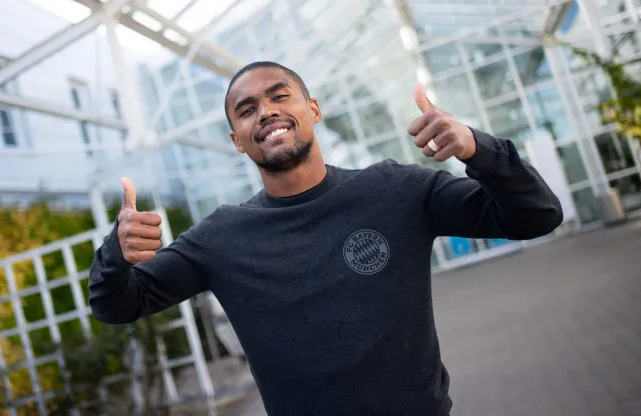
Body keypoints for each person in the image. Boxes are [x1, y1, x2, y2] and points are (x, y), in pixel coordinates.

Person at [87, 61, 563, 415]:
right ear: (237, 139)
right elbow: (118, 305)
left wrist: (481, 150)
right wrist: (116, 251)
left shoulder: (395, 190)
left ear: (312, 109)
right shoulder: (221, 237)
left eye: (280, 97)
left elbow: (536, 215)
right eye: (247, 109)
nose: (266, 113)